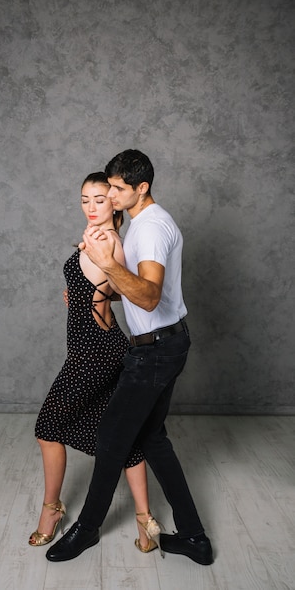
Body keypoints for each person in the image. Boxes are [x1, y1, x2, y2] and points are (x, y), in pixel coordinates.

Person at [46, 150, 213, 565]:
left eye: (119, 189)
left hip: (154, 351)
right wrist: (95, 292)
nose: (112, 195)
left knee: (111, 439)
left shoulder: (152, 228)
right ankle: (194, 537)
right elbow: (138, 288)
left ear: (143, 188)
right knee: (153, 440)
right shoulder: (144, 223)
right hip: (165, 343)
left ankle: (85, 531)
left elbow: (150, 295)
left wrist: (105, 263)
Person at [29, 171, 163, 555]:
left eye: (100, 199)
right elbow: (114, 286)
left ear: (114, 202)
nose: (91, 207)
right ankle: (145, 524)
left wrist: (90, 284)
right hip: (104, 346)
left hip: (93, 353)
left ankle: (51, 511)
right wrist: (88, 292)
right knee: (121, 437)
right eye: (85, 199)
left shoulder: (100, 241)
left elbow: (120, 281)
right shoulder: (110, 241)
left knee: (47, 427)